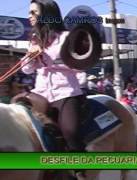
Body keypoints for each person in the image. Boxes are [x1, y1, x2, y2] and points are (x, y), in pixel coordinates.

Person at [19, 0, 86, 154]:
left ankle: (79, 171)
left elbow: (78, 66)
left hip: (66, 93)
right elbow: (27, 70)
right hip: (40, 93)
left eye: (33, 12)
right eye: (29, 12)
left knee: (70, 133)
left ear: (47, 14)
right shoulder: (35, 40)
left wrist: (45, 56)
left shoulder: (68, 37)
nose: (29, 16)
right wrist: (31, 56)